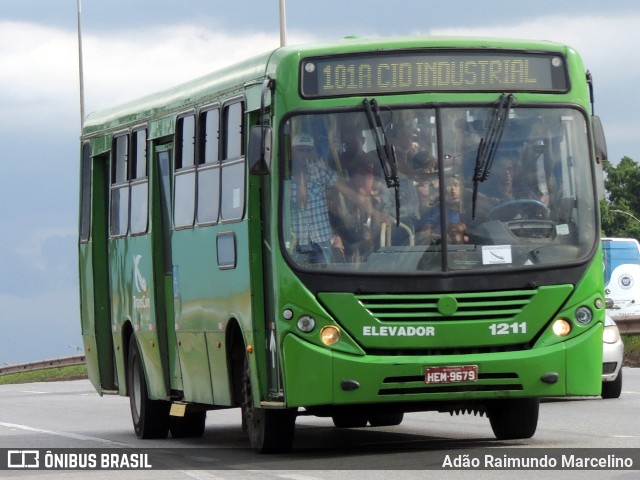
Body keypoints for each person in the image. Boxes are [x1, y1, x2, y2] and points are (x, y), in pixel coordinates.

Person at [290, 133, 345, 264]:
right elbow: (301, 202)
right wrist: (300, 174)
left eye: (307, 150)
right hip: (298, 242)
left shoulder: (319, 169)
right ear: (292, 150)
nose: (304, 154)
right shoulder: (284, 175)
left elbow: (342, 187)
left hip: (322, 240)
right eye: (300, 150)